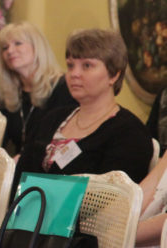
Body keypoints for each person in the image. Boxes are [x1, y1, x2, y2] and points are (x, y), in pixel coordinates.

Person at [15, 28, 151, 186]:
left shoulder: (129, 132)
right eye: (70, 66)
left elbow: (113, 197)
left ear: (114, 75)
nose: (74, 74)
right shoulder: (52, 118)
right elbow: (19, 178)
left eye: (87, 65)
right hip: (27, 202)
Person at [0, 22, 77, 155]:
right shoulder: (7, 95)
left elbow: (69, 145)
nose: (10, 51)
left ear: (37, 47)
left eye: (18, 43)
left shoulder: (63, 87)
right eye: (5, 48)